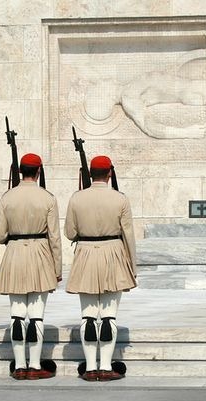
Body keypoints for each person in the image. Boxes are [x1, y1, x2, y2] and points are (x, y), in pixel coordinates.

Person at [64, 155, 136, 381]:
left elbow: (69, 233)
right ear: (110, 174)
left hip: (85, 253)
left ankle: (90, 367)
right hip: (113, 252)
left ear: (89, 174)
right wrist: (132, 267)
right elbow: (129, 236)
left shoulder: (77, 198)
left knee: (88, 316)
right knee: (108, 316)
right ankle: (105, 367)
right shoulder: (120, 199)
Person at [0, 153, 62, 380]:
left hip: (14, 253)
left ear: (20, 171)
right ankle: (34, 365)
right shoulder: (48, 198)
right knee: (36, 314)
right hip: (40, 254)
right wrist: (57, 269)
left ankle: (19, 365)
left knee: (16, 313)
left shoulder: (7, 197)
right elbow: (54, 237)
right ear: (39, 171)